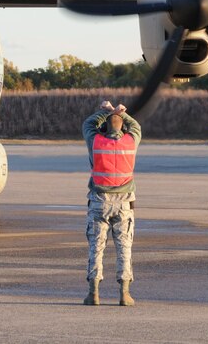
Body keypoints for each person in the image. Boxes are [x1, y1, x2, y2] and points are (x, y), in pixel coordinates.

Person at [81, 100, 142, 306]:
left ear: (104, 127)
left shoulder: (95, 141)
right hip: (124, 203)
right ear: (123, 127)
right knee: (124, 247)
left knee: (96, 248)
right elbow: (135, 126)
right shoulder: (131, 141)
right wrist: (119, 112)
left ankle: (93, 293)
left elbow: (88, 124)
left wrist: (106, 111)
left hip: (99, 200)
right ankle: (124, 294)